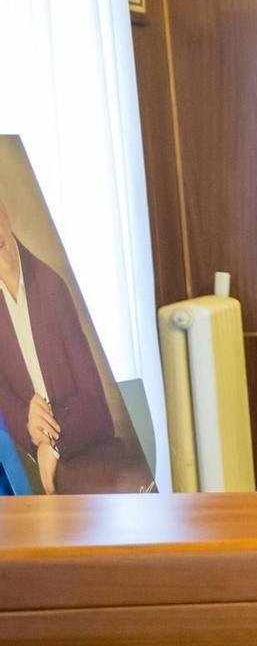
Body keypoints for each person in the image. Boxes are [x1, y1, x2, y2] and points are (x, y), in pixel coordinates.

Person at [0, 200, 151, 493]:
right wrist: (26, 420)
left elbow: (98, 409)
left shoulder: (50, 287)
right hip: (21, 458)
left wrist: (51, 444)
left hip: (81, 453)